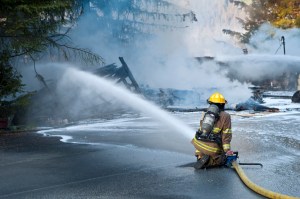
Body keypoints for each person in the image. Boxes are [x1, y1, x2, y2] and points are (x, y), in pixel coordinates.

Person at [191, 92, 233, 169]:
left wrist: (198, 153)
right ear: (222, 104)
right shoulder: (226, 116)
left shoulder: (206, 114)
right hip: (211, 148)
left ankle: (200, 157)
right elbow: (226, 135)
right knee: (222, 160)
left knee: (204, 144)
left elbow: (201, 130)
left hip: (198, 144)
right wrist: (227, 151)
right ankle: (210, 161)